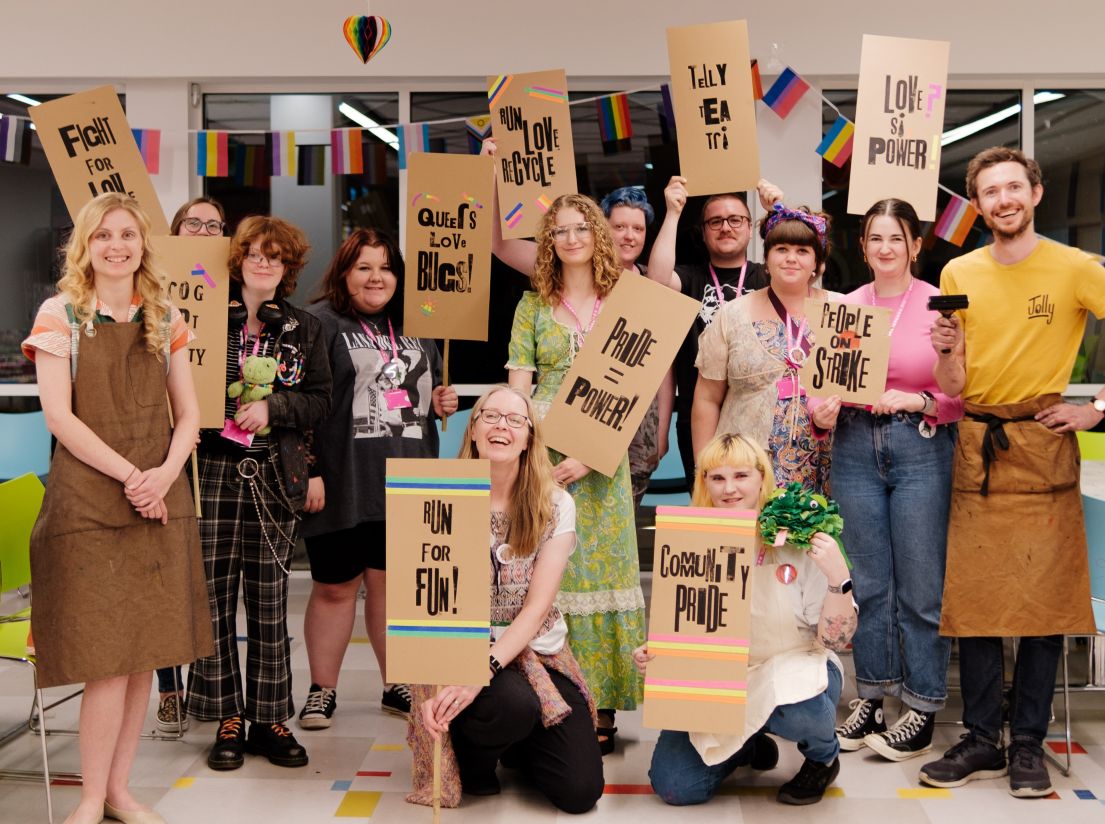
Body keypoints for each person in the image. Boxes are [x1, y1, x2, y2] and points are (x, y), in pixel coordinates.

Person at [22, 192, 213, 824]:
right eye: (103, 235)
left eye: (127, 234)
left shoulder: (166, 314)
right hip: (90, 502)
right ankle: (86, 799)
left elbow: (188, 415)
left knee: (142, 657)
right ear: (85, 245)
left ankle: (119, 792)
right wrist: (135, 476)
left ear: (142, 244)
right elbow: (59, 416)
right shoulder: (61, 314)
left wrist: (163, 475)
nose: (116, 245)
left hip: (159, 497)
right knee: (106, 659)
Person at [923, 147, 1105, 797]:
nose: (1000, 200)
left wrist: (1097, 409)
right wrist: (946, 353)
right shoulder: (957, 269)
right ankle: (980, 739)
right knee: (972, 604)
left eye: (1010, 188)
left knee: (1039, 606)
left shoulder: (1075, 267)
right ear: (975, 205)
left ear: (1034, 191)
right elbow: (951, 383)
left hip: (1042, 441)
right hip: (975, 442)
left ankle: (1026, 739)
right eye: (987, 192)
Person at [807, 199, 963, 760]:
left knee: (921, 586)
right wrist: (821, 409)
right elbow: (821, 386)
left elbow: (961, 392)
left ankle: (920, 704)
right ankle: (871, 696)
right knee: (868, 584)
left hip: (920, 445)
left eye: (896, 238)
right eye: (875, 238)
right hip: (853, 445)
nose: (886, 249)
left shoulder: (937, 309)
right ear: (863, 246)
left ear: (916, 245)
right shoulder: (846, 308)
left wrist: (923, 399)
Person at [406, 386, 604, 814]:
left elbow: (536, 609)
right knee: (511, 705)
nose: (502, 426)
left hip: (536, 653)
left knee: (580, 791)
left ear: (530, 437)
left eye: (516, 420)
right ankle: (477, 765)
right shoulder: (438, 494)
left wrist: (485, 669)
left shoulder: (555, 503)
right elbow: (422, 601)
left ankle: (517, 742)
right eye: (490, 416)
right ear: (472, 429)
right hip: (462, 650)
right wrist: (436, 674)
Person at [638, 433, 854, 806]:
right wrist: (657, 654)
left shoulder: (797, 539)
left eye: (740, 476)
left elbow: (836, 642)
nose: (729, 489)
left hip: (791, 668)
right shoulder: (689, 541)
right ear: (703, 482)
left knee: (801, 709)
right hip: (716, 680)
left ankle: (822, 757)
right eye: (717, 478)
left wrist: (839, 579)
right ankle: (747, 747)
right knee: (675, 786)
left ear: (761, 478)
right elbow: (682, 624)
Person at [187, 215, 332, 772]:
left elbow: (320, 399)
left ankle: (269, 717)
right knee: (213, 599)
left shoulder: (304, 327)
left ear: (289, 267)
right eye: (254, 252)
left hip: (273, 474)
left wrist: (274, 408)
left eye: (276, 255)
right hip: (210, 472)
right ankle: (225, 715)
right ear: (238, 258)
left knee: (270, 601)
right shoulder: (203, 319)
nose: (264, 262)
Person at [298, 228, 457, 727]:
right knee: (334, 588)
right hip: (342, 479)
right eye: (364, 266)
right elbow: (301, 405)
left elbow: (416, 394)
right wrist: (310, 470)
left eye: (386, 268)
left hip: (408, 480)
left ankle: (396, 686)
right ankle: (322, 690)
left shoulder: (417, 325)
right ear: (344, 272)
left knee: (391, 587)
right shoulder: (319, 324)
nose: (376, 277)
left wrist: (440, 402)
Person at [503, 192, 644, 754]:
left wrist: (594, 452)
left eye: (580, 228)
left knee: (600, 575)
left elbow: (634, 389)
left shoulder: (625, 302)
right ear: (549, 242)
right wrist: (523, 454)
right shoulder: (532, 304)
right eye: (558, 231)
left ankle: (601, 703)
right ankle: (553, 692)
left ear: (597, 235)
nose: (570, 238)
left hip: (604, 456)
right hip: (540, 453)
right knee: (548, 576)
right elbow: (519, 383)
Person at [646, 177, 783, 488]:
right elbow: (655, 280)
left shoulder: (769, 276)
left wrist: (777, 213)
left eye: (736, 220)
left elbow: (801, 259)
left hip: (759, 416)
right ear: (704, 234)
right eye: (715, 221)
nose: (726, 227)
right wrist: (672, 212)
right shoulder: (690, 278)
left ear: (751, 229)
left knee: (767, 509)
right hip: (699, 414)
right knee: (712, 508)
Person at [153, 195, 228, 735]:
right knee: (161, 573)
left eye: (214, 225)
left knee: (200, 579)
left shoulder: (228, 298)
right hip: (160, 449)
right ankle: (167, 687)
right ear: (175, 229)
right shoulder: (152, 294)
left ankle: (207, 683)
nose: (203, 230)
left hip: (214, 454)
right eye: (193, 222)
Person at [692, 205, 834, 491]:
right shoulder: (731, 315)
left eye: (803, 251)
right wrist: (706, 473)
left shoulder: (844, 310)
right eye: (781, 249)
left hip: (831, 467)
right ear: (766, 260)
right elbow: (706, 399)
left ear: (817, 264)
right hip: (747, 471)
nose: (791, 258)